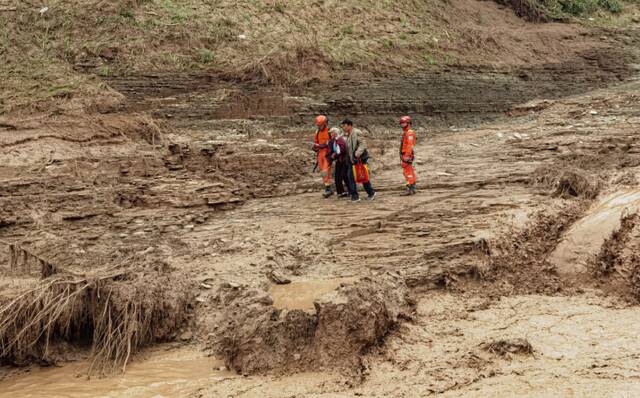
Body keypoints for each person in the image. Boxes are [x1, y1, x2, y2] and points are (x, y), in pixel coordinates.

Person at [341, 118, 376, 202]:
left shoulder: (356, 132)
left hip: (358, 159)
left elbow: (363, 144)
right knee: (356, 177)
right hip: (352, 159)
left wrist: (358, 152)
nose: (343, 128)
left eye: (344, 126)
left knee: (360, 176)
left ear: (349, 125)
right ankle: (359, 195)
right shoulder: (348, 134)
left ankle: (365, 194)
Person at [312, 115, 333, 198]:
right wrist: (315, 147)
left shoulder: (329, 131)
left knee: (325, 171)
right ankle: (328, 188)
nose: (319, 126)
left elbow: (331, 142)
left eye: (320, 125)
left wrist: (323, 145)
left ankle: (328, 189)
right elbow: (316, 142)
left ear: (325, 124)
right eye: (318, 125)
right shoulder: (317, 132)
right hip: (320, 154)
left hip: (327, 154)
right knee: (322, 172)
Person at [327, 127, 349, 198]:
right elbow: (332, 150)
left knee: (344, 176)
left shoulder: (340, 139)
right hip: (338, 160)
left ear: (335, 132)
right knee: (337, 177)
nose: (330, 134)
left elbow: (342, 150)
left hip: (343, 160)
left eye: (331, 132)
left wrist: (335, 155)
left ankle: (350, 191)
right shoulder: (332, 140)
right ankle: (340, 192)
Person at [399, 115, 417, 195]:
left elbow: (410, 145)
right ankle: (412, 188)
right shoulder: (406, 132)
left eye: (403, 123)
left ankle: (410, 188)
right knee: (410, 171)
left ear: (408, 123)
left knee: (408, 172)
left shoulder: (409, 133)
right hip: (405, 155)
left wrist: (407, 156)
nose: (402, 124)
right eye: (401, 123)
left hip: (407, 155)